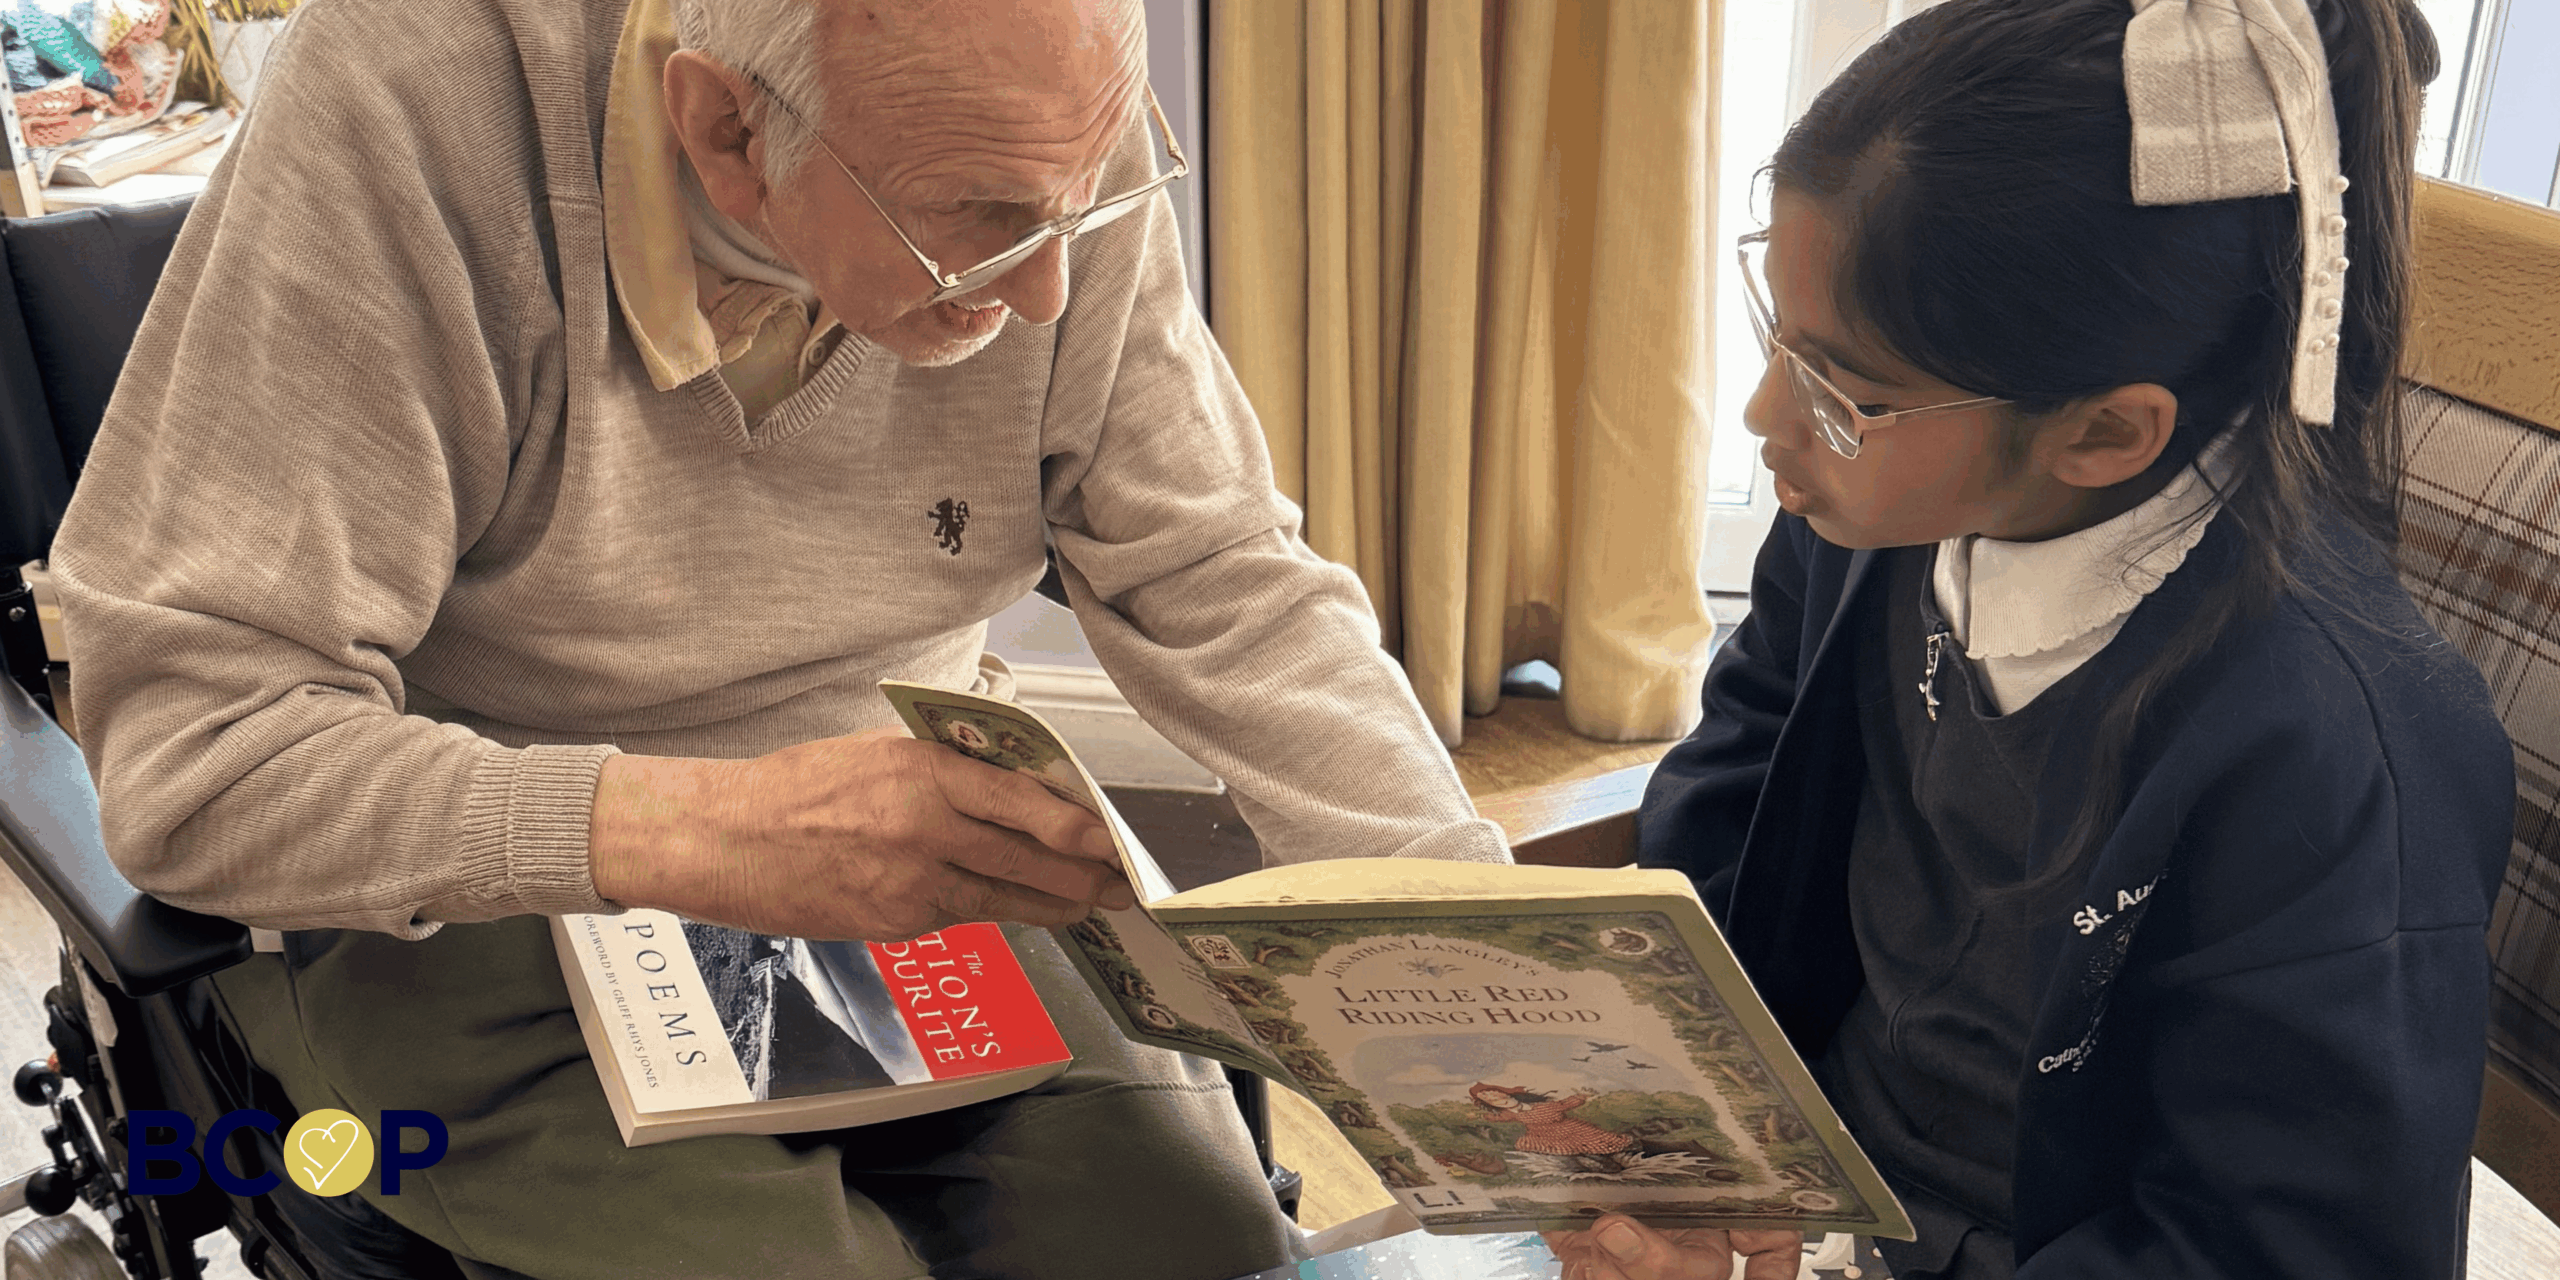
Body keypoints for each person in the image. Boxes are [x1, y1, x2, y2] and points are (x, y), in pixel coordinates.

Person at [47, 0, 1508, 1277]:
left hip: (910, 860)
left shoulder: (1034, 127)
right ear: (726, 129)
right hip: (477, 901)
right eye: (985, 220)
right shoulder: (412, 99)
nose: (1053, 294)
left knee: (1206, 1250)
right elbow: (197, 756)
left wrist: (1502, 992)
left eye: (1089, 197)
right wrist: (686, 826)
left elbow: (1222, 571)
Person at [1542, 1, 2512, 1278]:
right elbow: (1738, 790)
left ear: (2106, 433)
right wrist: (1679, 1131)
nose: (1767, 414)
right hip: (1803, 1185)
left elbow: (2284, 1243)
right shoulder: (1864, 515)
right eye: (1779, 335)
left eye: (1845, 390)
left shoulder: (2330, 756)